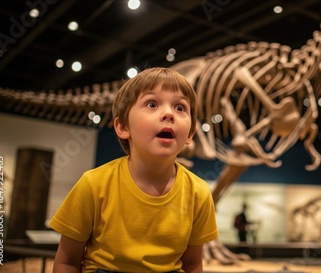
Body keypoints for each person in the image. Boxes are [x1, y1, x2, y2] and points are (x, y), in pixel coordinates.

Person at [50, 67, 219, 273]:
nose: (168, 113)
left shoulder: (199, 193)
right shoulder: (93, 184)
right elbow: (67, 260)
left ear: (190, 133)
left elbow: (193, 264)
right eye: (152, 104)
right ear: (123, 127)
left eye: (180, 108)